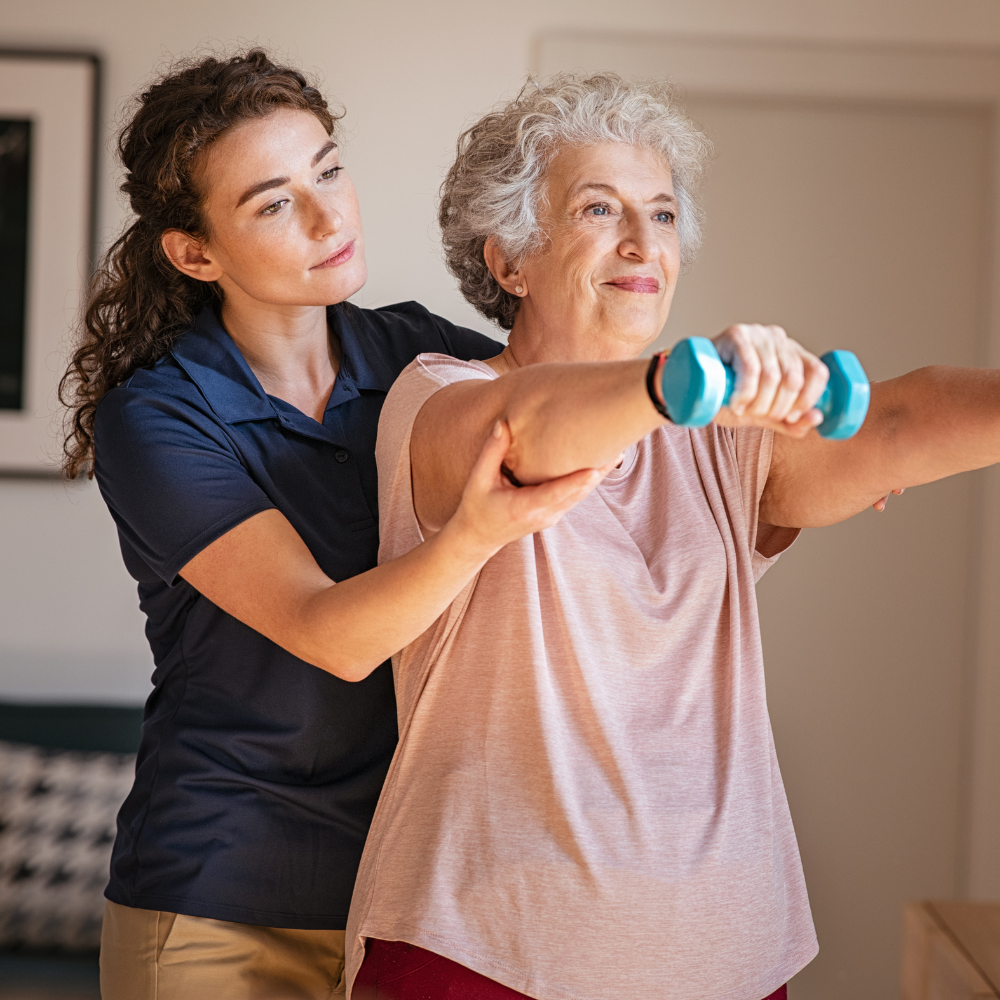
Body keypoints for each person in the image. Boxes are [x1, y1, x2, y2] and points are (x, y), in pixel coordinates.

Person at [347, 73, 1000, 1000]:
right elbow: (525, 433)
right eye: (599, 209)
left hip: (725, 962)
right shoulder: (440, 395)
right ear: (509, 261)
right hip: (482, 955)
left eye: (660, 214)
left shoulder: (719, 437)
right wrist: (684, 379)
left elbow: (894, 423)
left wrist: (703, 392)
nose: (642, 242)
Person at [59, 51, 603, 1000]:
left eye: (329, 171)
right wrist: (474, 533)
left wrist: (760, 473)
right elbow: (332, 636)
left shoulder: (419, 355)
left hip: (404, 898)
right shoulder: (157, 418)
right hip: (219, 903)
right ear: (195, 254)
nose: (328, 217)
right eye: (274, 204)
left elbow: (566, 414)